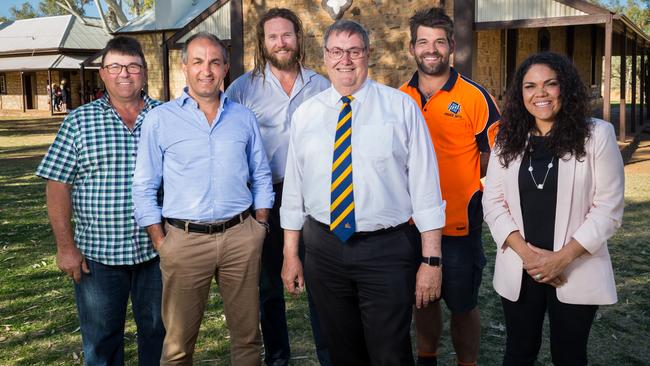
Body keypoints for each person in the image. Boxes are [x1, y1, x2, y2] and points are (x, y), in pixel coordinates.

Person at [280, 20, 446, 365]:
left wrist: (431, 261)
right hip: (323, 248)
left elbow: (426, 189)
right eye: (337, 51)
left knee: (390, 353)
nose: (346, 60)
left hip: (386, 250)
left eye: (354, 51)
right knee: (341, 350)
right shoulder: (305, 115)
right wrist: (290, 253)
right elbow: (294, 190)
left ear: (368, 54)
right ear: (325, 57)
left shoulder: (401, 108)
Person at [132, 32, 274, 366]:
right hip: (184, 241)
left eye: (214, 62)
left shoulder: (243, 118)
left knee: (248, 338)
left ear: (226, 68)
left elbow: (262, 174)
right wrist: (161, 241)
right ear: (185, 67)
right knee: (179, 344)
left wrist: (261, 227)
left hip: (241, 237)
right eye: (197, 61)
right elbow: (143, 186)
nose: (205, 70)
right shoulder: (160, 120)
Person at [482, 52, 624, 365]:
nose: (540, 93)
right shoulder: (507, 138)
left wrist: (560, 260)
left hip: (575, 267)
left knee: (570, 356)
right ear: (521, 94)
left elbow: (608, 209)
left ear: (566, 88)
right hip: (521, 266)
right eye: (530, 86)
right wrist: (530, 256)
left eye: (550, 84)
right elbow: (492, 202)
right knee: (517, 354)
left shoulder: (597, 135)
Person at [35, 36, 165, 365]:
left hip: (158, 251)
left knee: (158, 333)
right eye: (115, 67)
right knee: (102, 340)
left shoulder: (166, 117)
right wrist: (66, 247)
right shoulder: (79, 122)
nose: (125, 74)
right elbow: (57, 184)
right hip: (99, 255)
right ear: (103, 74)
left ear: (145, 72)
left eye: (133, 66)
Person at [224, 8, 331, 366]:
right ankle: (278, 358)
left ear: (299, 39)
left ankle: (329, 354)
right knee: (269, 285)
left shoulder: (322, 84)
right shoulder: (241, 89)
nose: (281, 43)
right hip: (265, 196)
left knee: (320, 281)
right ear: (262, 42)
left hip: (315, 197)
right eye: (273, 37)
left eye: (287, 35)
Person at [398, 8, 500, 366]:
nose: (431, 49)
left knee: (462, 304)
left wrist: (460, 178)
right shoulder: (398, 98)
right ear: (412, 48)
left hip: (458, 224)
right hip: (409, 225)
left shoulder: (475, 97)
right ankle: (427, 357)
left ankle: (466, 362)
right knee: (421, 298)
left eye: (439, 41)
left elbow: (496, 156)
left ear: (451, 46)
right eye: (423, 42)